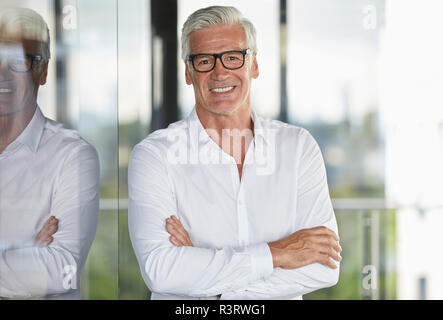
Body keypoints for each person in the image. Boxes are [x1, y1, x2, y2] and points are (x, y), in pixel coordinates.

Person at [129, 5, 341, 300]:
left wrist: (203, 275)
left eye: (232, 58)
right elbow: (161, 271)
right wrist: (276, 254)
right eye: (204, 60)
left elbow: (324, 266)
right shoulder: (155, 156)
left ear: (253, 64)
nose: (219, 73)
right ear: (189, 72)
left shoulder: (298, 148)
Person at [0, 7, 99, 299]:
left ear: (43, 71)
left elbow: (60, 271)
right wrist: (25, 253)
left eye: (20, 61)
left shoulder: (73, 157)